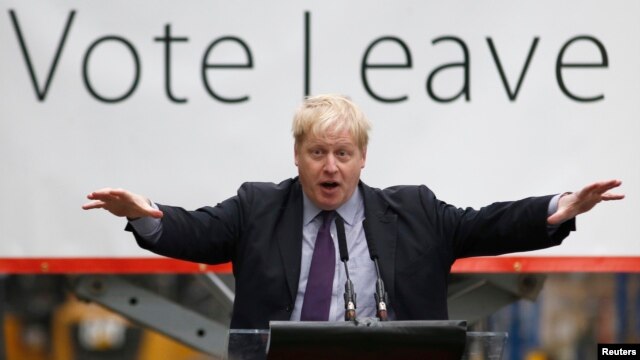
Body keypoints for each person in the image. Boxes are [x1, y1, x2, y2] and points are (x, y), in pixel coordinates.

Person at [82, 94, 623, 329]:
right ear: (297, 157)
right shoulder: (258, 207)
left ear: (363, 158)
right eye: (318, 153)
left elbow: (488, 223)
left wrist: (559, 207)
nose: (331, 167)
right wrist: (147, 212)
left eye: (343, 154)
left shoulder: (414, 212)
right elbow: (198, 233)